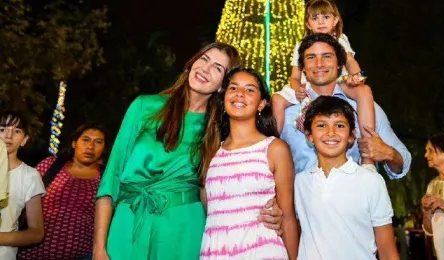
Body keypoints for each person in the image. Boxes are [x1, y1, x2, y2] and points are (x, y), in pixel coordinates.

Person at [93, 43, 282, 260]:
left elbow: (238, 177)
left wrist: (270, 207)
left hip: (184, 228)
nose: (205, 68)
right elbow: (110, 179)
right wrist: (99, 247)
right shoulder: (144, 106)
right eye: (203, 59)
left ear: (223, 85)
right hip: (128, 220)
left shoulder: (218, 130)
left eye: (218, 68)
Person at [200, 67, 299, 259]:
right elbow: (210, 211)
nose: (240, 94)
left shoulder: (275, 149)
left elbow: (287, 217)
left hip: (262, 251)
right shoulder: (211, 152)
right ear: (224, 98)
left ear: (262, 104)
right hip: (216, 252)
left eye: (250, 90)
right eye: (233, 88)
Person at [279, 33, 411, 176]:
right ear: (303, 67)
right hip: (304, 196)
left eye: (327, 56)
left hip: (356, 195)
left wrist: (389, 153)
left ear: (339, 65)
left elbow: (403, 162)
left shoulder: (364, 107)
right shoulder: (287, 113)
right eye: (311, 58)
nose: (319, 64)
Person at [272, 0, 376, 167]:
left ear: (335, 20)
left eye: (326, 17)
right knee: (276, 99)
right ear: (307, 23)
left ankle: (368, 156)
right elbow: (294, 76)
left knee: (364, 91)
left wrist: (357, 77)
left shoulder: (340, 39)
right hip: (306, 84)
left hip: (337, 81)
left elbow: (350, 62)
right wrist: (298, 89)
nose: (320, 22)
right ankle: (271, 148)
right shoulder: (301, 45)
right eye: (315, 18)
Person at [295, 96, 398, 260]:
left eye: (340, 125)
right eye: (321, 125)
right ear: (309, 135)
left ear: (351, 136)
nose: (331, 133)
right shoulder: (299, 183)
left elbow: (387, 251)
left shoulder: (371, 181)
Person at [18, 122, 108, 260]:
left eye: (98, 142)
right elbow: (19, 198)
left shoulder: (106, 179)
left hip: (82, 255)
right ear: (74, 143)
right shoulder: (50, 166)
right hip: (31, 253)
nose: (90, 147)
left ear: (104, 148)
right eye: (85, 140)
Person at [0, 112, 45, 260]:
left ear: (24, 140)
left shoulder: (29, 176)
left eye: (17, 131)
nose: (8, 135)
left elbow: (36, 233)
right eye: (2, 129)